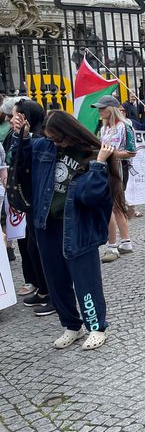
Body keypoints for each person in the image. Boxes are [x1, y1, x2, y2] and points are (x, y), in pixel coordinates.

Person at [10, 110, 124, 350]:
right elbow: (18, 164)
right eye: (50, 138)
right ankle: (72, 325)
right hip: (46, 224)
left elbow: (90, 196)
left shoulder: (92, 154)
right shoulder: (44, 146)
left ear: (69, 133)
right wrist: (22, 135)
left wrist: (99, 165)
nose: (54, 143)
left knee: (86, 280)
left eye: (58, 139)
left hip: (78, 226)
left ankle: (96, 327)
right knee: (55, 279)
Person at [12, 100, 55, 315]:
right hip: (29, 202)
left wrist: (24, 138)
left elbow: (26, 166)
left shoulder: (39, 141)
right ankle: (44, 289)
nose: (12, 120)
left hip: (38, 202)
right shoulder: (24, 138)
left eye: (15, 116)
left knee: (41, 249)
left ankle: (52, 292)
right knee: (32, 248)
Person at [94, 96, 136, 262]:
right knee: (116, 205)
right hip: (109, 168)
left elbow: (132, 151)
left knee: (112, 206)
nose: (99, 111)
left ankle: (112, 246)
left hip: (119, 168)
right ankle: (125, 242)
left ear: (110, 109)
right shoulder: (105, 128)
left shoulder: (125, 126)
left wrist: (110, 155)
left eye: (101, 108)